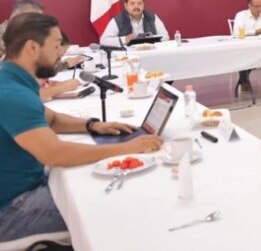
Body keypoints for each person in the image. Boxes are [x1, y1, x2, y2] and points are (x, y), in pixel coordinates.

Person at [0, 13, 162, 243]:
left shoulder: (11, 80)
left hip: (27, 189)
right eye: (56, 45)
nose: (60, 53)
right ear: (32, 48)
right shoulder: (11, 94)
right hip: (12, 211)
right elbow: (55, 154)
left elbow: (51, 120)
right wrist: (127, 148)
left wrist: (93, 125)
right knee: (120, 208)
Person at [100, 0, 169, 47]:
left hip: (149, 52)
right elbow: (103, 41)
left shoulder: (152, 17)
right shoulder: (118, 20)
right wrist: (125, 39)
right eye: (132, 3)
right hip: (128, 55)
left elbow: (166, 36)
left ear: (143, 5)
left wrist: (153, 37)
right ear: (126, 6)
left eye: (139, 3)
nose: (136, 6)